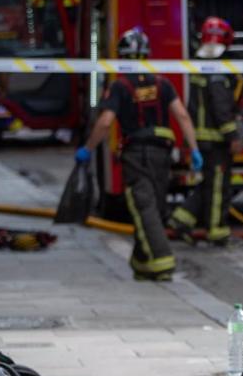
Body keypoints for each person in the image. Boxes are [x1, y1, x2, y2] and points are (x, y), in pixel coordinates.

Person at [77, 28, 202, 281]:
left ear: (122, 56)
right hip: (163, 154)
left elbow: (105, 122)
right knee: (152, 205)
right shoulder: (162, 83)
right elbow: (182, 115)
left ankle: (162, 260)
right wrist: (195, 149)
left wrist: (88, 148)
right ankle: (142, 263)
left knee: (144, 207)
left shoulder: (120, 87)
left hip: (136, 155)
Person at [169, 17, 243, 247]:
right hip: (217, 141)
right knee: (219, 188)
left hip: (201, 139)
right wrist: (233, 135)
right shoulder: (219, 72)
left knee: (208, 184)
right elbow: (221, 109)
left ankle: (180, 221)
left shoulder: (199, 66)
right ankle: (217, 232)